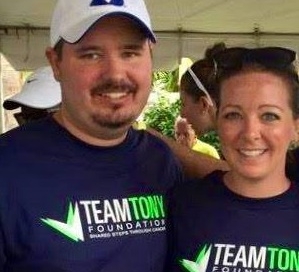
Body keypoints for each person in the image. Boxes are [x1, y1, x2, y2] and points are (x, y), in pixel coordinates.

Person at [0, 0, 186, 271]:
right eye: (91, 54)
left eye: (130, 52)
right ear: (56, 63)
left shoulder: (161, 161)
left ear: (151, 56)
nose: (115, 74)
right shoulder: (7, 167)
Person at [166, 46, 299, 271]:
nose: (250, 133)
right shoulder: (181, 205)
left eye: (269, 115)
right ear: (217, 121)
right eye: (233, 115)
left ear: (295, 128)